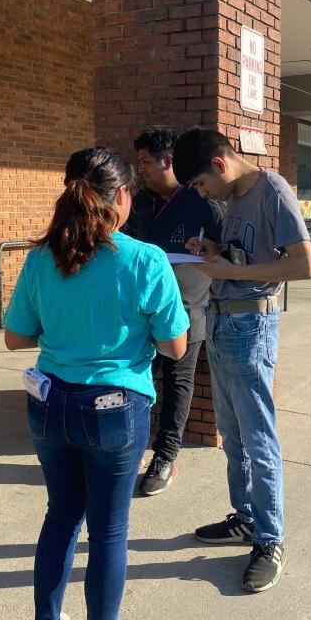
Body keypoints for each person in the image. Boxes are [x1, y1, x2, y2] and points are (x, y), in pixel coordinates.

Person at [3, 147, 189, 620]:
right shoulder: (146, 259)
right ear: (122, 195)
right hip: (116, 407)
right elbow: (176, 347)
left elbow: (15, 337)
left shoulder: (42, 256)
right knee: (108, 531)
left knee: (61, 518)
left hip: (48, 403)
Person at [172, 128, 311, 593]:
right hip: (222, 321)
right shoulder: (233, 199)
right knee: (232, 435)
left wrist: (232, 271)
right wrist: (215, 253)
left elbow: (303, 265)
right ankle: (247, 518)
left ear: (219, 165)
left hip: (252, 328)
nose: (200, 193)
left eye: (198, 183)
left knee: (258, 439)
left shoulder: (272, 191)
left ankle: (270, 539)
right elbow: (248, 255)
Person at [127, 127, 224, 497]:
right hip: (140, 312)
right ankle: (131, 449)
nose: (143, 170)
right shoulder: (138, 203)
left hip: (186, 309)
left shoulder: (203, 200)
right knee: (137, 380)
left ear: (168, 161)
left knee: (178, 384)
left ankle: (165, 458)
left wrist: (208, 250)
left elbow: (225, 252)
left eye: (147, 162)